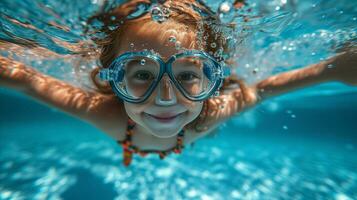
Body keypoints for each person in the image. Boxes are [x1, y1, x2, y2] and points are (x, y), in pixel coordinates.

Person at [0, 0, 356, 166]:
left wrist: (334, 69)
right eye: (141, 75)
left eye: (188, 75)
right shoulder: (107, 114)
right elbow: (30, 82)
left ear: (211, 79)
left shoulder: (209, 113)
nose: (166, 98)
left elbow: (263, 88)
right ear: (112, 77)